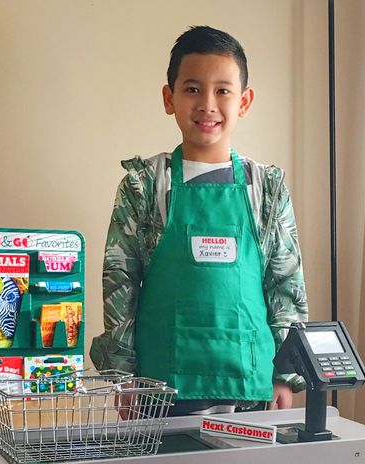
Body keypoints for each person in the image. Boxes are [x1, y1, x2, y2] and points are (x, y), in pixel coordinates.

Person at [90, 25, 308, 416]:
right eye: (193, 89)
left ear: (244, 101)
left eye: (223, 90)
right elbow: (119, 283)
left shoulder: (267, 190)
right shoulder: (145, 186)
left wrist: (284, 375)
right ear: (168, 97)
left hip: (249, 385)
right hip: (160, 388)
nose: (208, 104)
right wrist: (124, 377)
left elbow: (285, 284)